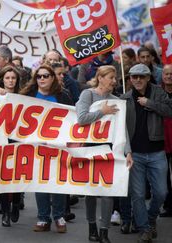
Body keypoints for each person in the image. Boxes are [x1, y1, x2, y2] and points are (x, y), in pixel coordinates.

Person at [76, 65, 133, 243]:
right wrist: (102, 112)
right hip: (90, 148)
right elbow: (82, 118)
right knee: (91, 192)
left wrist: (128, 152)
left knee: (108, 191)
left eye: (115, 78)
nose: (114, 81)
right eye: (111, 77)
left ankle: (104, 231)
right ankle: (92, 226)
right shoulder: (88, 94)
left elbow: (122, 129)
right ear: (100, 78)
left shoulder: (116, 100)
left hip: (110, 150)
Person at [18, 65, 73, 234]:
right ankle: (43, 218)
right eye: (39, 76)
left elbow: (72, 118)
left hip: (58, 146)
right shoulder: (28, 96)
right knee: (40, 182)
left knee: (57, 182)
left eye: (46, 76)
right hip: (36, 146)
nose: (42, 79)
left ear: (52, 78)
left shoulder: (63, 96)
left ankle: (58, 216)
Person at [121, 63, 172, 243]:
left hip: (157, 152)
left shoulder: (158, 92)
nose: (138, 80)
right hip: (135, 154)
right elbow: (121, 129)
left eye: (142, 76)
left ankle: (150, 219)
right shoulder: (125, 98)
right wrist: (127, 151)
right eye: (134, 77)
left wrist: (149, 103)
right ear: (130, 79)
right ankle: (144, 228)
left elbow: (169, 111)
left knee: (161, 193)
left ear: (149, 77)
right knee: (138, 195)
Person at [0, 65, 22, 227]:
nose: (10, 81)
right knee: (3, 176)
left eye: (13, 78)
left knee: (17, 176)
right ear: (2, 80)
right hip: (1, 139)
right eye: (7, 78)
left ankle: (16, 204)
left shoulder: (24, 96)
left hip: (19, 139)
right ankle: (5, 211)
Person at [160, 64, 172, 218]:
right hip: (162, 138)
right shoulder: (157, 92)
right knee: (164, 174)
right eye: (167, 74)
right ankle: (168, 205)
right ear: (162, 76)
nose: (169, 76)